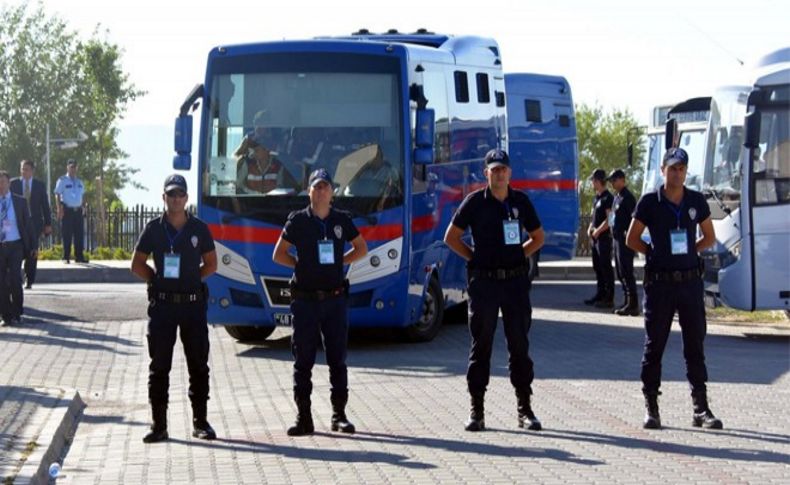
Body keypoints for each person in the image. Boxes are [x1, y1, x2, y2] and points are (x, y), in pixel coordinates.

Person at [444, 149, 545, 432]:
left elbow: (538, 237)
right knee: (481, 346)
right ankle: (477, 410)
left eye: (503, 169)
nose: (499, 174)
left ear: (509, 173)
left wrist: (519, 256)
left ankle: (525, 409)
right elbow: (451, 237)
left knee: (519, 346)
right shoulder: (475, 202)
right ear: (485, 173)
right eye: (494, 169)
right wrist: (474, 258)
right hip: (484, 283)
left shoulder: (520, 202)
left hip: (514, 283)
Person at [626, 147, 722, 430]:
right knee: (655, 345)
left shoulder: (695, 200)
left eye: (681, 168)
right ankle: (652, 407)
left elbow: (709, 236)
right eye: (672, 168)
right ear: (662, 170)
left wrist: (690, 252)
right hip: (661, 285)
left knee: (695, 344)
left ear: (686, 171)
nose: (677, 173)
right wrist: (654, 255)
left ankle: (701, 408)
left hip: (690, 283)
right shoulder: (649, 202)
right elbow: (632, 238)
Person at [272, 168, 368, 436]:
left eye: (325, 186)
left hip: (335, 300)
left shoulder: (341, 220)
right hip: (305, 301)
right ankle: (304, 417)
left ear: (332, 192)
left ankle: (339, 415)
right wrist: (300, 266)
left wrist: (341, 262)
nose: (321, 191)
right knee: (303, 361)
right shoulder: (298, 221)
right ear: (309, 191)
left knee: (338, 359)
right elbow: (278, 254)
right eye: (316, 187)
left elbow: (361, 248)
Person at [131, 174, 218, 443]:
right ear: (164, 197)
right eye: (171, 194)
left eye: (180, 194)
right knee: (159, 366)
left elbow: (212, 264)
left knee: (198, 365)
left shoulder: (199, 229)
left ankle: (200, 422)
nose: (176, 199)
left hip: (192, 306)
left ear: (187, 198)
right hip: (163, 307)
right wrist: (157, 280)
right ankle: (159, 425)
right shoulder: (154, 229)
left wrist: (191, 279)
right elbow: (137, 264)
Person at [0, 171, 35, 325]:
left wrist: (33, 246)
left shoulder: (20, 202)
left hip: (16, 245)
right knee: (1, 282)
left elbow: (28, 225)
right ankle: (5, 315)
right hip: (1, 246)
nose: (1, 185)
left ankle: (17, 312)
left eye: (3, 182)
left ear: (9, 184)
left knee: (15, 278)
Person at [11, 160, 52, 289]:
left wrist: (48, 224)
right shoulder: (13, 184)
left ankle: (30, 279)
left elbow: (45, 206)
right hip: (18, 224)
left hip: (34, 224)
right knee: (18, 251)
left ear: (32, 170)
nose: (24, 171)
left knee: (32, 252)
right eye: (22, 169)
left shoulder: (39, 185)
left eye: (27, 169)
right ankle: (17, 277)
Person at [607, 169, 638, 316]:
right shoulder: (617, 197)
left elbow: (634, 219)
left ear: (622, 180)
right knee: (620, 272)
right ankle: (627, 301)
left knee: (627, 271)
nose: (612, 183)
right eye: (611, 181)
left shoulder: (628, 198)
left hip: (626, 239)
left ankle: (633, 303)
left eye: (614, 180)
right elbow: (612, 216)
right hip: (616, 238)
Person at [584, 168, 615, 308]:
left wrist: (598, 231)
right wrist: (590, 228)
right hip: (595, 238)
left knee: (605, 267)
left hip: (604, 238)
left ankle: (609, 297)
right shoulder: (597, 198)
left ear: (598, 181)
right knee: (597, 267)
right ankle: (600, 293)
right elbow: (594, 218)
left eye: (593, 180)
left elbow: (610, 219)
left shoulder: (608, 198)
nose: (592, 183)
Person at [54, 159, 87, 263]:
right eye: (71, 167)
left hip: (78, 211)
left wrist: (84, 207)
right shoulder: (62, 180)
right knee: (67, 234)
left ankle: (79, 257)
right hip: (67, 210)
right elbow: (57, 194)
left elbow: (83, 195)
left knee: (79, 234)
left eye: (74, 167)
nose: (73, 169)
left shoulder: (80, 182)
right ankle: (66, 256)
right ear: (67, 167)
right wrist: (59, 208)